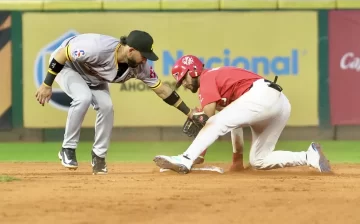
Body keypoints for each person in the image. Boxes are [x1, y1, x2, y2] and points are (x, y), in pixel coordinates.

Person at [35, 30, 195, 175]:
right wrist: (47, 84)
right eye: (144, 55)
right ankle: (67, 148)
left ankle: (99, 156)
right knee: (83, 97)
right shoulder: (97, 47)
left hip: (94, 76)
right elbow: (62, 54)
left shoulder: (140, 67)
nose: (145, 60)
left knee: (107, 107)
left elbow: (162, 90)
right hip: (67, 66)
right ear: (131, 50)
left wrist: (189, 113)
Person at [153, 55, 332, 174]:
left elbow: (208, 118)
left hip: (262, 95)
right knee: (259, 160)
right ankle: (309, 156)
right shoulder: (219, 88)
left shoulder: (207, 78)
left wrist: (197, 117)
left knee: (215, 120)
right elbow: (232, 122)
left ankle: (184, 158)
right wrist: (236, 159)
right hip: (279, 103)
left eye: (184, 78)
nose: (183, 83)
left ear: (193, 71)